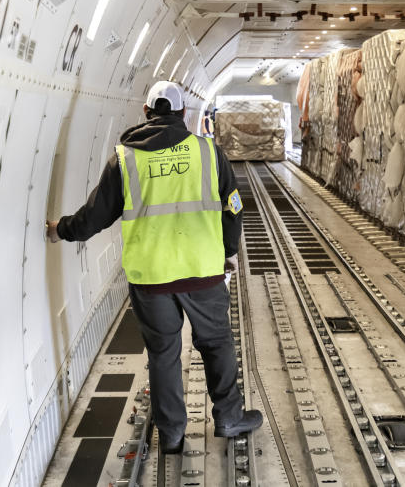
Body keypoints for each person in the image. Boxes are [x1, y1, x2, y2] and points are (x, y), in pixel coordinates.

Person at [46, 81, 262, 454]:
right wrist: (227, 251)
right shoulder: (207, 152)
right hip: (202, 272)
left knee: (163, 355)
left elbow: (93, 218)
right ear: (182, 114)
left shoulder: (125, 159)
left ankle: (173, 434)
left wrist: (59, 229)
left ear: (145, 112)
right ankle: (228, 417)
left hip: (152, 280)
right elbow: (234, 206)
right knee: (216, 344)